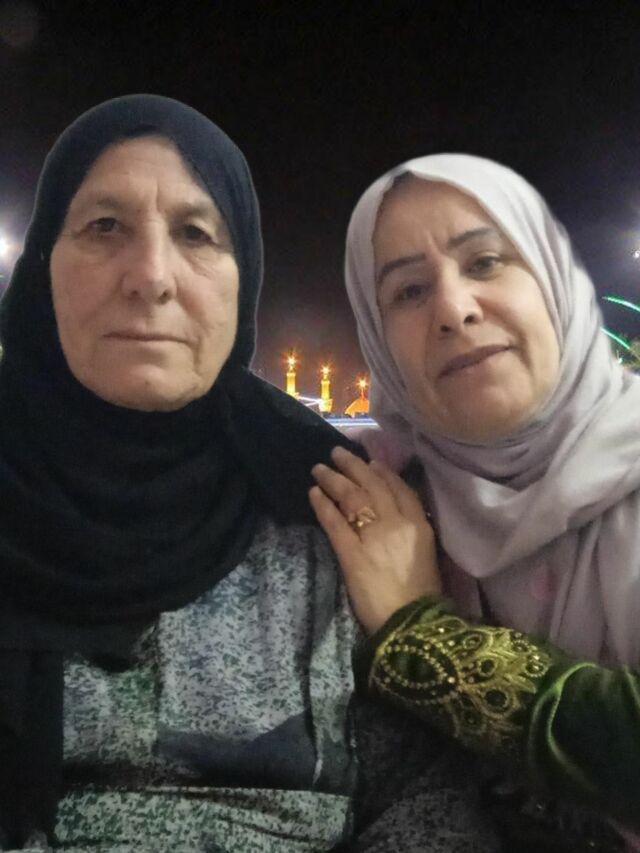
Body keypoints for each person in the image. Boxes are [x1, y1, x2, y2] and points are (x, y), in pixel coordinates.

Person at [0, 106, 501, 852]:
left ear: (244, 283)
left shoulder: (328, 503)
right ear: (44, 265)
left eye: (196, 234)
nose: (151, 277)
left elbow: (423, 795)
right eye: (105, 227)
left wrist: (414, 623)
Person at [309, 155, 640, 850]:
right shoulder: (379, 495)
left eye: (486, 262)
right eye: (407, 291)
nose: (454, 310)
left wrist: (421, 634)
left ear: (553, 280)